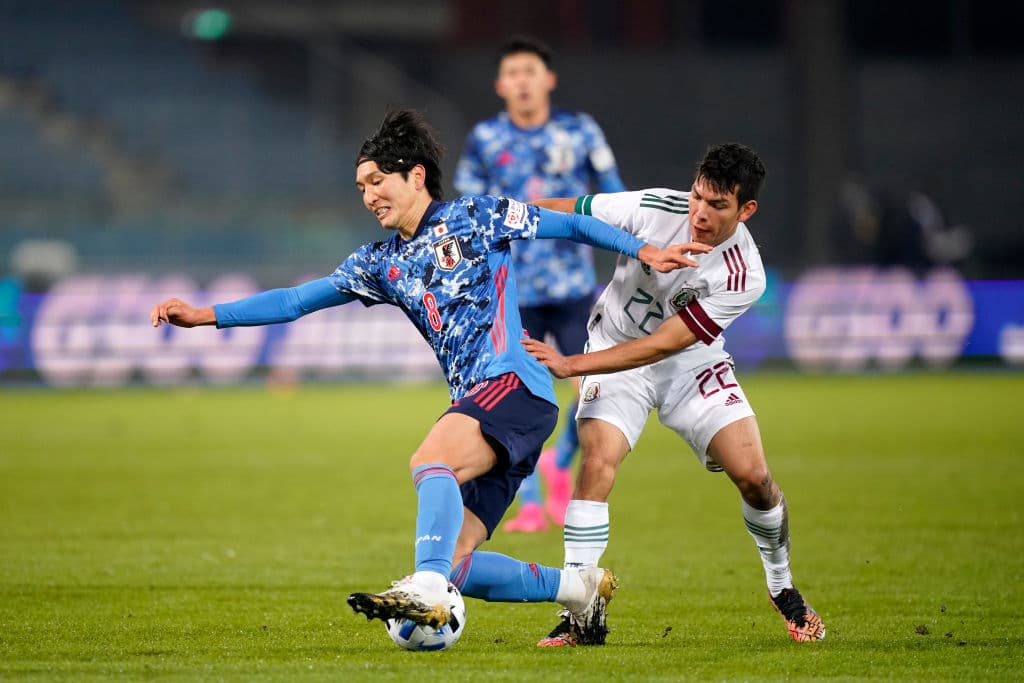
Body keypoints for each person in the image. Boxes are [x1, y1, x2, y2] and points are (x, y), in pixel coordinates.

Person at [150, 109, 708, 643]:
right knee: (457, 561)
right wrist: (206, 315)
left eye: (376, 181)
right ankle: (578, 589)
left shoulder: (478, 216)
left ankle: (423, 588)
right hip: (490, 406)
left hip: (514, 383)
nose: (369, 196)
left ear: (415, 175)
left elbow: (571, 224)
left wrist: (645, 249)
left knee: (429, 462)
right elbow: (297, 299)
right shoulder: (379, 263)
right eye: (360, 187)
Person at [522, 143, 827, 646]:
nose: (701, 214)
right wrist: (505, 217)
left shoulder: (743, 274)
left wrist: (571, 364)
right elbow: (572, 210)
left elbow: (665, 344)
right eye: (698, 197)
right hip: (614, 346)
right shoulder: (655, 207)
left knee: (754, 477)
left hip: (689, 365)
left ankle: (782, 586)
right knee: (597, 464)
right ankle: (579, 611)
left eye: (718, 206)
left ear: (746, 210)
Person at [455, 35, 626, 533]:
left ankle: (559, 461)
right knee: (513, 396)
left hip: (574, 287)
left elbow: (615, 194)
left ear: (548, 79)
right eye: (513, 73)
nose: (523, 81)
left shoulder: (580, 131)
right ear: (500, 85)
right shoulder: (485, 139)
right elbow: (468, 210)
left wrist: (631, 239)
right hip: (513, 294)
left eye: (531, 71)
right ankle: (528, 502)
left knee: (595, 388)